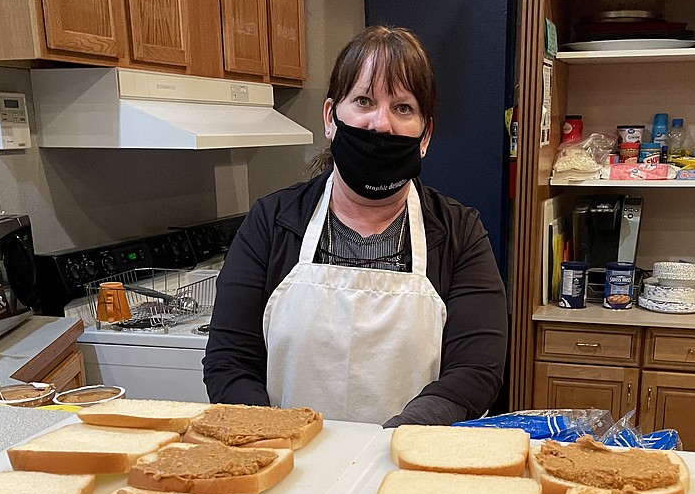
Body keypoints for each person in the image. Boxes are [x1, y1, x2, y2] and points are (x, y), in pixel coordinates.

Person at [203, 25, 507, 427]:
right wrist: (275, 436)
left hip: (407, 463)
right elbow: (230, 362)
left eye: (403, 108)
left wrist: (391, 443)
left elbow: (475, 370)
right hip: (290, 460)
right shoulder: (272, 222)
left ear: (425, 135)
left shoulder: (458, 233)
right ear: (331, 118)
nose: (381, 124)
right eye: (364, 101)